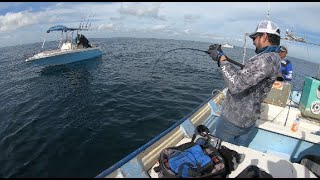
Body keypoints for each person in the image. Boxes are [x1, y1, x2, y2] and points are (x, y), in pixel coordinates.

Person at [208, 20, 282, 146]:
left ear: (264, 36)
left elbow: (236, 85)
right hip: (249, 120)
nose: (253, 41)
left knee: (217, 151)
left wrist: (222, 60)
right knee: (235, 152)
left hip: (233, 120)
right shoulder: (275, 57)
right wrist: (224, 59)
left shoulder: (264, 60)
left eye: (254, 37)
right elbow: (246, 77)